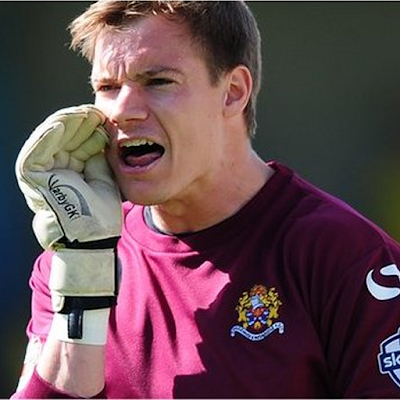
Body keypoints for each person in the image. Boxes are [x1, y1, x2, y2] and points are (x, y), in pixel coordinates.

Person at [10, 1, 400, 398]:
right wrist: (83, 280)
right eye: (108, 87)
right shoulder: (72, 262)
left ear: (233, 92)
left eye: (158, 81)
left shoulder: (346, 256)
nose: (122, 111)